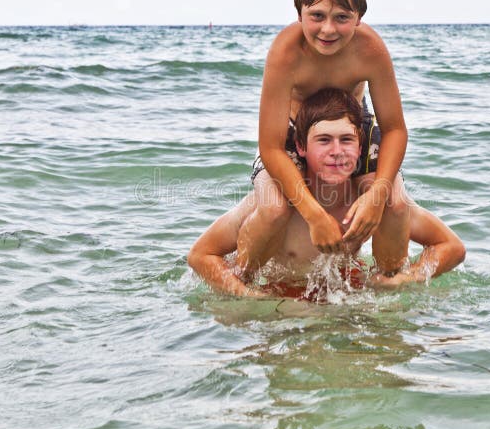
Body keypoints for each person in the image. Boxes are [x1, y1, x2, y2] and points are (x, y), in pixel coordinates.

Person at [187, 89, 465, 300]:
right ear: (301, 147)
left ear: (360, 148)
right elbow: (201, 255)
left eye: (346, 140)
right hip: (283, 301)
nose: (336, 151)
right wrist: (245, 296)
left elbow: (452, 247)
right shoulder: (279, 200)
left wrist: (405, 280)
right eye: (323, 140)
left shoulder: (366, 202)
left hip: (341, 298)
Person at [240, 0, 417, 278]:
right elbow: (270, 146)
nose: (328, 28)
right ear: (299, 15)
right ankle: (242, 280)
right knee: (273, 209)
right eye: (317, 16)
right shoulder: (286, 52)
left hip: (352, 128)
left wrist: (377, 194)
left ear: (359, 17)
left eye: (342, 17)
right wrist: (314, 215)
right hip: (293, 134)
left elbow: (394, 130)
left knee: (396, 205)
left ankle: (387, 287)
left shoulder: (371, 50)